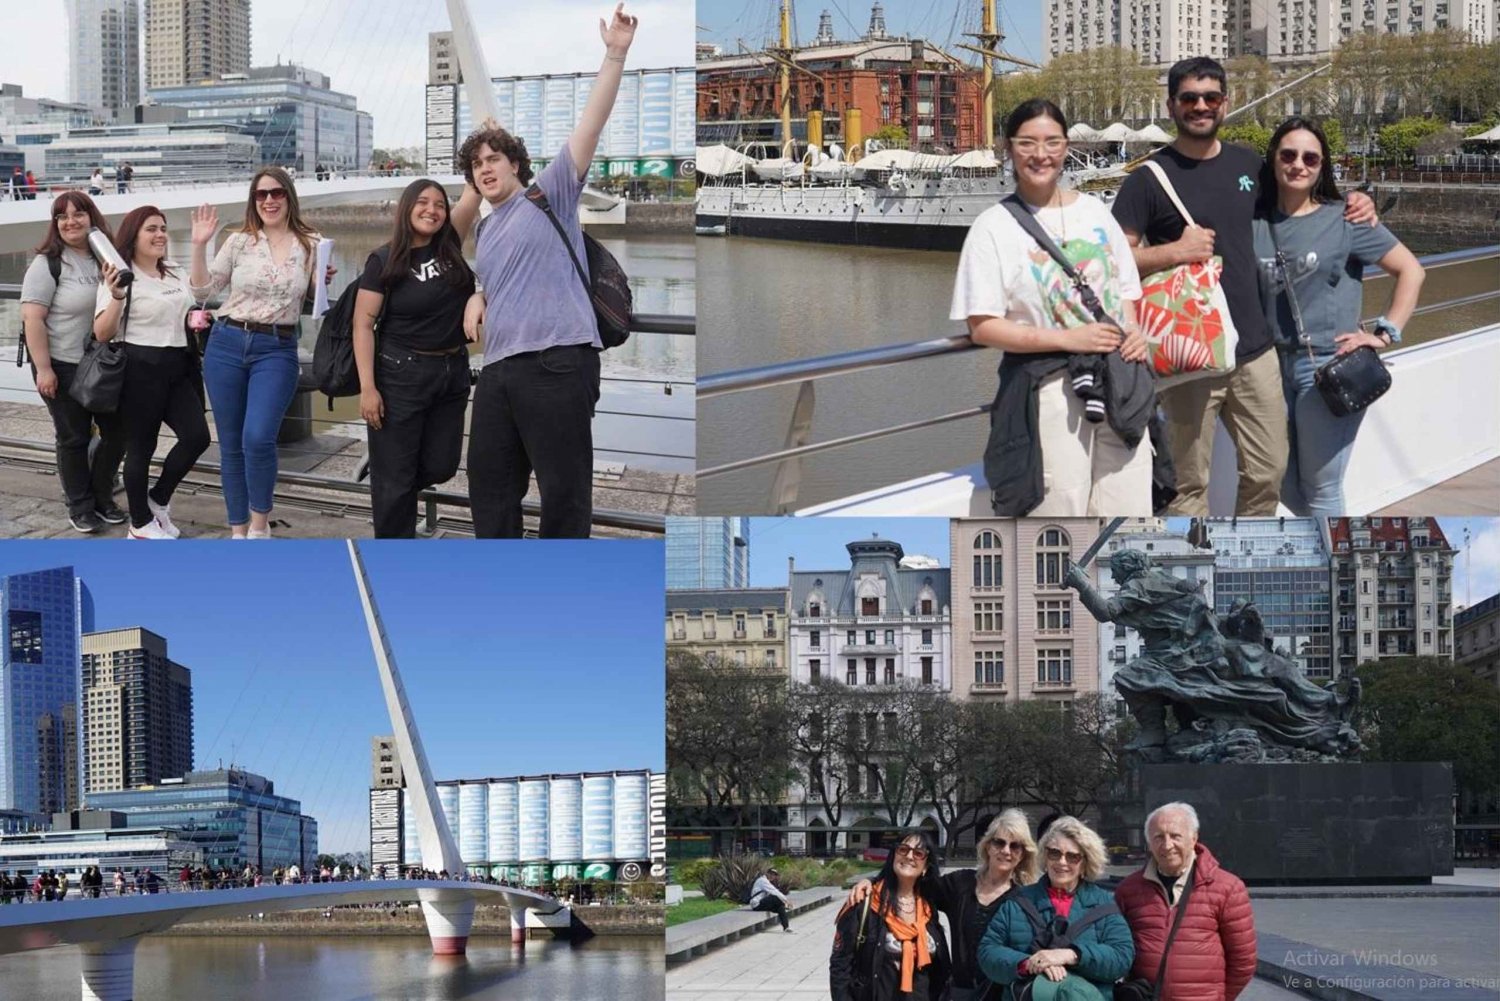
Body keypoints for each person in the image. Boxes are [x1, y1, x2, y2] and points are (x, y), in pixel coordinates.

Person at [1111, 56, 1376, 516]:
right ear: (1171, 105)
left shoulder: (1250, 165)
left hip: (1256, 351)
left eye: (1210, 97)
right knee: (1187, 486)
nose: (1200, 106)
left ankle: (1242, 556)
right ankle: (1190, 577)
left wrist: (1355, 200)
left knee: (1269, 471)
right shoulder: (1146, 181)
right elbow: (1110, 264)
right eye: (1189, 98)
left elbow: (1304, 198)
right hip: (1188, 356)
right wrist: (1174, 251)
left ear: (1225, 103)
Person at [448, 2, 638, 538]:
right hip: (500, 371)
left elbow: (590, 125)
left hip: (559, 362)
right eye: (475, 164)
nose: (484, 168)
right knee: (489, 489)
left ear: (515, 164)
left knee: (564, 493)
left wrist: (616, 55)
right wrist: (478, 292)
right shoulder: (486, 229)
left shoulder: (549, 192)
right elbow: (499, 272)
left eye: (492, 159)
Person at [952, 99, 1154, 517]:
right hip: (1049, 388)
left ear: (1066, 148)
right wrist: (1066, 338)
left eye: (1052, 142)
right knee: (1061, 508)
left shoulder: (1096, 211)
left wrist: (1134, 331)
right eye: (1027, 143)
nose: (1040, 154)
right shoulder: (993, 227)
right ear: (1008, 148)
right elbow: (982, 326)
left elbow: (1127, 292)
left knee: (1129, 508)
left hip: (1121, 379)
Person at [1252, 117, 1424, 517]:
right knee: (1275, 477)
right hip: (1268, 368)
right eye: (1289, 154)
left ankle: (1328, 565)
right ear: (1274, 159)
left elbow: (1411, 270)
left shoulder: (1345, 219)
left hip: (1328, 368)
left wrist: (1384, 333)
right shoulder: (1254, 222)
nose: (1299, 164)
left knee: (1322, 488)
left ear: (1321, 165)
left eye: (1310, 158)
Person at [189, 167, 326, 538]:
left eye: (277, 193)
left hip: (276, 348)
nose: (269, 200)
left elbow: (316, 303)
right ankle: (239, 530)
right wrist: (200, 244)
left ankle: (260, 525)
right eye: (261, 194)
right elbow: (202, 292)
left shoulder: (311, 243)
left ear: (289, 197)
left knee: (258, 436)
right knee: (231, 444)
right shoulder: (238, 242)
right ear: (253, 200)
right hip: (227, 343)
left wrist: (321, 280)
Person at [353, 180, 476, 537]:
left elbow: (474, 190)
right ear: (406, 208)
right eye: (422, 202)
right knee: (396, 486)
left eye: (439, 204)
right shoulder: (383, 259)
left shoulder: (450, 243)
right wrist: (367, 388)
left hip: (452, 373)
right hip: (400, 375)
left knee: (442, 465)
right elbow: (362, 324)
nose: (432, 210)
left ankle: (387, 471)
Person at [94, 206, 211, 538]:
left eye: (162, 228)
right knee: (141, 448)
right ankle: (141, 525)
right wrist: (116, 295)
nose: (160, 235)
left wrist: (194, 319)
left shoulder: (173, 269)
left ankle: (157, 500)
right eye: (151, 229)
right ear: (133, 235)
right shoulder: (119, 273)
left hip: (179, 366)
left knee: (197, 437)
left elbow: (200, 295)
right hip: (139, 368)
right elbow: (102, 333)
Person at [19, 191, 128, 533]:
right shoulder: (48, 263)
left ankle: (102, 496)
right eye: (62, 216)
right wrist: (45, 369)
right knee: (74, 437)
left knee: (116, 434)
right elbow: (32, 320)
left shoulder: (106, 257)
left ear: (91, 216)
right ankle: (80, 506)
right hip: (61, 364)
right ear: (55, 223)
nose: (70, 221)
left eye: (78, 214)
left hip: (101, 363)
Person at [848, 809, 1039, 1000]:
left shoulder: (1022, 900)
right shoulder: (961, 883)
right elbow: (914, 881)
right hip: (960, 993)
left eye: (1015, 846)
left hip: (1001, 994)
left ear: (1022, 855)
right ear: (988, 846)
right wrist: (872, 882)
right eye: (999, 842)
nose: (1006, 851)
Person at [977, 816, 1135, 1001]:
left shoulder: (1104, 904)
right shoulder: (1018, 901)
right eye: (1054, 853)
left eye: (1072, 856)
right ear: (1045, 856)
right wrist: (1028, 963)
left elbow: (1122, 956)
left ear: (1085, 862)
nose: (1062, 862)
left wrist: (1071, 955)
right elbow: (987, 951)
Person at [1114, 803, 1256, 1001]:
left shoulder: (1228, 888)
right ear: (1149, 843)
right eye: (1158, 837)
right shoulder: (1128, 890)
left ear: (1194, 838)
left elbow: (1243, 961)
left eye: (1175, 836)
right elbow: (1117, 949)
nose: (1167, 845)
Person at [830, 830, 952, 1000]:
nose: (909, 856)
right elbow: (840, 967)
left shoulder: (928, 908)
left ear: (926, 867)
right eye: (903, 849)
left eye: (918, 853)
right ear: (894, 855)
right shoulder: (864, 902)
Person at [748, 866, 792, 931]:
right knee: (775, 898)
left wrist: (783, 902)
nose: (772, 876)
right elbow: (774, 891)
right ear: (767, 873)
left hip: (762, 904)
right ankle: (786, 906)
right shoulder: (762, 881)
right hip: (756, 904)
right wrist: (786, 901)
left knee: (780, 907)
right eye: (770, 874)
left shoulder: (767, 881)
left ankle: (786, 927)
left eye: (774, 875)